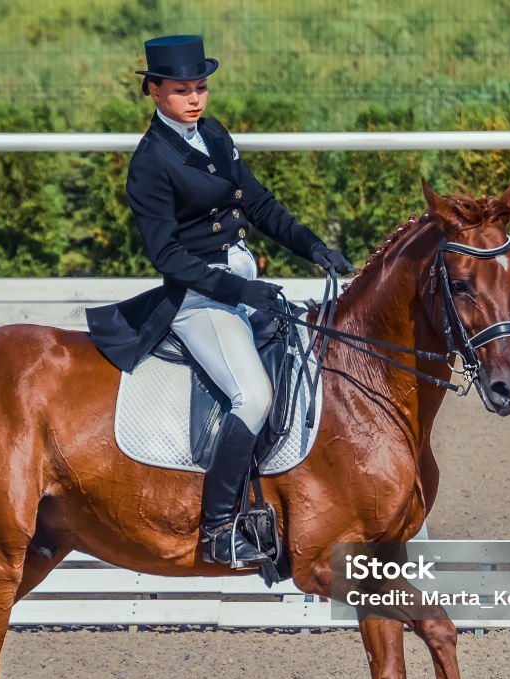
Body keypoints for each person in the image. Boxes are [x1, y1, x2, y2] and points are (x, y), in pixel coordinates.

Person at [87, 34, 351, 567]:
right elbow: (167, 257)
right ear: (154, 91)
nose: (195, 99)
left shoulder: (212, 133)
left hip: (241, 285)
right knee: (252, 396)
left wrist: (313, 247)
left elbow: (257, 203)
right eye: (182, 90)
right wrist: (242, 290)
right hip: (199, 298)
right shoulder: (150, 162)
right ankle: (218, 528)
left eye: (201, 88)